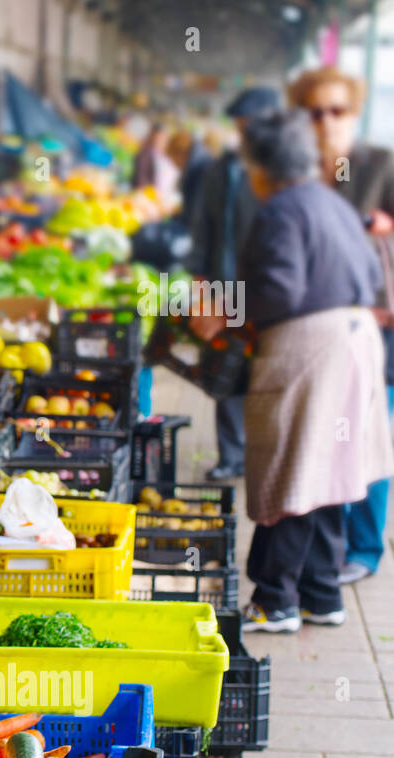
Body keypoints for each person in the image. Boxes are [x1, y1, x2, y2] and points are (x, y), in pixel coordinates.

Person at [191, 110, 392, 633]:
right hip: (355, 340)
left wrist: (227, 313)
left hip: (310, 346)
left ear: (260, 167)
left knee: (290, 465)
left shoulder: (281, 209)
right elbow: (372, 275)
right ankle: (321, 594)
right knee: (328, 468)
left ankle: (275, 598)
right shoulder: (333, 203)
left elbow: (280, 289)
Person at [289, 66, 394, 585]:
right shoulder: (297, 170)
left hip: (374, 325)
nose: (326, 121)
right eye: (314, 111)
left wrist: (386, 225)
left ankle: (365, 548)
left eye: (337, 110)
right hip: (310, 327)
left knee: (368, 436)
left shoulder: (380, 164)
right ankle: (319, 555)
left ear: (354, 113)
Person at [187, 87, 282, 482]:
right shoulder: (219, 168)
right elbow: (203, 226)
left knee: (264, 374)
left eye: (250, 127)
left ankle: (264, 457)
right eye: (240, 128)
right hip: (224, 288)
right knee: (225, 370)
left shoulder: (279, 171)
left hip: (262, 288)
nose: (243, 135)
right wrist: (200, 281)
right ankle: (231, 455)